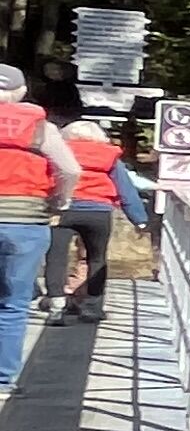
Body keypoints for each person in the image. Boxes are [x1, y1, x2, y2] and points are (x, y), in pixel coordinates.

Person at [0, 65, 86, 396]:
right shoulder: (41, 127)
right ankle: (4, 379)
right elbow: (69, 169)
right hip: (26, 221)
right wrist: (59, 201)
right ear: (22, 92)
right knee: (14, 302)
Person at [50, 117, 127, 320]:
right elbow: (124, 187)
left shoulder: (59, 151)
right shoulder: (109, 155)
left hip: (64, 209)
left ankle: (56, 306)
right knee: (97, 258)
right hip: (98, 211)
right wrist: (139, 218)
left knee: (56, 257)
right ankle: (92, 306)